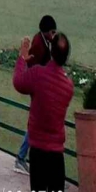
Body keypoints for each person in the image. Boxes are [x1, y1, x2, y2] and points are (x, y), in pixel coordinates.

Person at [14, 29, 74, 190]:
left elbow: (18, 82)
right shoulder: (68, 87)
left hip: (38, 153)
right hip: (57, 156)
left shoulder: (38, 75)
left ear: (51, 51)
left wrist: (22, 58)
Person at [15, 15, 61, 173]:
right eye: (52, 32)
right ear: (46, 31)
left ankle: (23, 158)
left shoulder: (44, 41)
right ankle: (22, 158)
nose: (54, 35)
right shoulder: (38, 44)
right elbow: (33, 67)